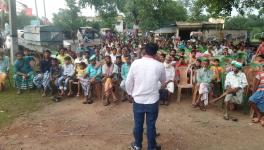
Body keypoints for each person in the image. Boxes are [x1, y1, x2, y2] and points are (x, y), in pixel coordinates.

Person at [126, 43, 166, 150]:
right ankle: (151, 147)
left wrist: (129, 93)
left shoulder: (135, 63)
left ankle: (137, 145)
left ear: (144, 51)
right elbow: (163, 82)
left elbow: (128, 81)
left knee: (138, 124)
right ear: (156, 52)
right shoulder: (160, 65)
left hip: (138, 100)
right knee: (151, 125)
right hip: (152, 100)